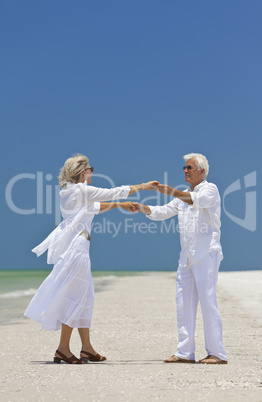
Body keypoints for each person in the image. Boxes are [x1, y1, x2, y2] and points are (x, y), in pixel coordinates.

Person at [25, 153, 158, 364]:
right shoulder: (81, 190)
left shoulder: (70, 192)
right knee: (75, 297)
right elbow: (112, 192)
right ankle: (63, 349)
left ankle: (86, 349)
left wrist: (119, 205)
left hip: (77, 246)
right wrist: (143, 186)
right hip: (77, 248)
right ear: (82, 171)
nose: (92, 173)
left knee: (85, 298)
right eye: (90, 169)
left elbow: (94, 207)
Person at [134, 153, 227, 364]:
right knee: (183, 303)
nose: (185, 171)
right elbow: (162, 212)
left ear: (201, 171)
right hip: (186, 257)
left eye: (190, 168)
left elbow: (196, 201)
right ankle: (185, 352)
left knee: (208, 301)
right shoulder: (183, 195)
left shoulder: (210, 189)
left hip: (206, 253)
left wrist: (168, 190)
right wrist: (142, 208)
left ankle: (217, 353)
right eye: (184, 168)